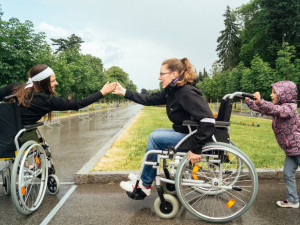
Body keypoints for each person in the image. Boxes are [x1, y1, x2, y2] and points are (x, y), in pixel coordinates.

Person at [113, 57, 215, 197]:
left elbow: (208, 120)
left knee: (155, 138)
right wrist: (125, 92)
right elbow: (149, 99)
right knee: (156, 133)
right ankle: (147, 177)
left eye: (162, 74)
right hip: (188, 133)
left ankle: (145, 185)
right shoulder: (173, 91)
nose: (159, 78)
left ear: (173, 75)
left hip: (195, 138)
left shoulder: (185, 92)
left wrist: (196, 149)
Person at [0, 64, 116, 125]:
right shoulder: (47, 100)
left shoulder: (14, 87)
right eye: (52, 81)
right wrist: (101, 93)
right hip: (17, 136)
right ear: (42, 83)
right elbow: (77, 104)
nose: (56, 83)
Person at [245, 81, 300, 208]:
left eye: (274, 93)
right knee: (288, 173)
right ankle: (293, 200)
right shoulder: (278, 109)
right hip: (290, 151)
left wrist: (260, 101)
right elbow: (263, 108)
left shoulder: (289, 109)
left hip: (298, 149)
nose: (271, 95)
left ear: (284, 94)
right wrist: (249, 101)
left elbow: (273, 108)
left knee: (288, 173)